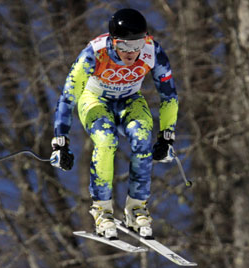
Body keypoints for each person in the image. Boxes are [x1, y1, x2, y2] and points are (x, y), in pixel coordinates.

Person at [50, 8, 178, 239]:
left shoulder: (152, 51)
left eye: (137, 44)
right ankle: (102, 210)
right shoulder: (94, 53)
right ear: (113, 41)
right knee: (106, 140)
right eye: (124, 45)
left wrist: (167, 135)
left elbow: (168, 95)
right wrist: (61, 141)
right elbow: (68, 96)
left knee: (142, 137)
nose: (132, 52)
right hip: (95, 100)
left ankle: (137, 208)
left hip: (129, 99)